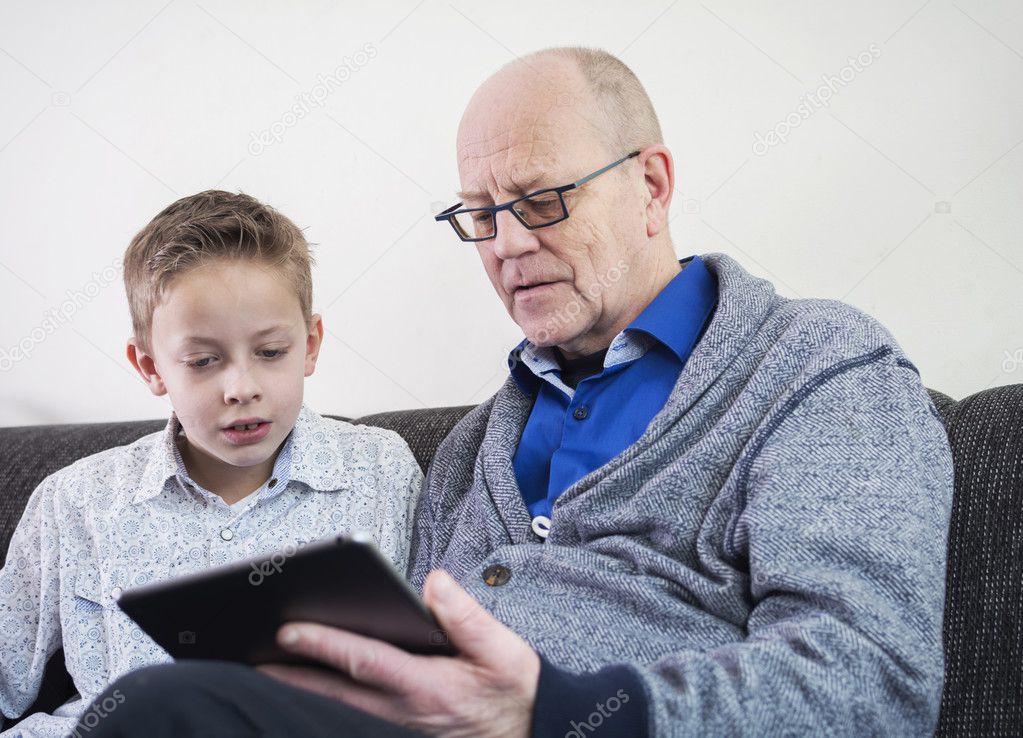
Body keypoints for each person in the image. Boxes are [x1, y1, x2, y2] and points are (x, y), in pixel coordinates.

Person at [78, 47, 954, 737]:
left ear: (650, 187)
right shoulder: (473, 442)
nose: (502, 244)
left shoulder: (815, 366)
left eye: (538, 201)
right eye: (479, 213)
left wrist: (557, 710)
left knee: (163, 711)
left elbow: (871, 677)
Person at [0, 191, 423, 738]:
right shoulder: (75, 502)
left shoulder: (382, 471)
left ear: (311, 344)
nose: (241, 389)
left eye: (270, 353)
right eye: (203, 362)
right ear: (150, 367)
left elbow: (427, 675)